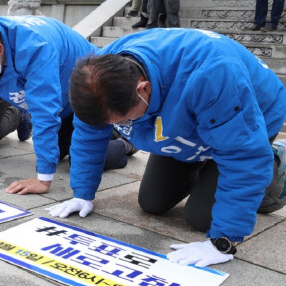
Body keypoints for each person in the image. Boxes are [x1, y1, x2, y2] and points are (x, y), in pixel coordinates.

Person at [49, 29, 286, 267]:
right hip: (187, 123)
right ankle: (210, 168)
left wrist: (224, 241)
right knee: (153, 202)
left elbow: (243, 157)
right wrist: (82, 193)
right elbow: (88, 136)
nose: (117, 127)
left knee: (202, 218)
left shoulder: (213, 75)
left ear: (143, 89)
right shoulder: (98, 78)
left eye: (121, 121)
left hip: (247, 119)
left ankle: (274, 161)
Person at [0, 15, 132, 195]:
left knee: (80, 159)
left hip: (87, 98)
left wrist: (43, 180)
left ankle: (125, 142)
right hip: (59, 100)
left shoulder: (35, 48)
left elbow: (44, 111)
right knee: (55, 153)